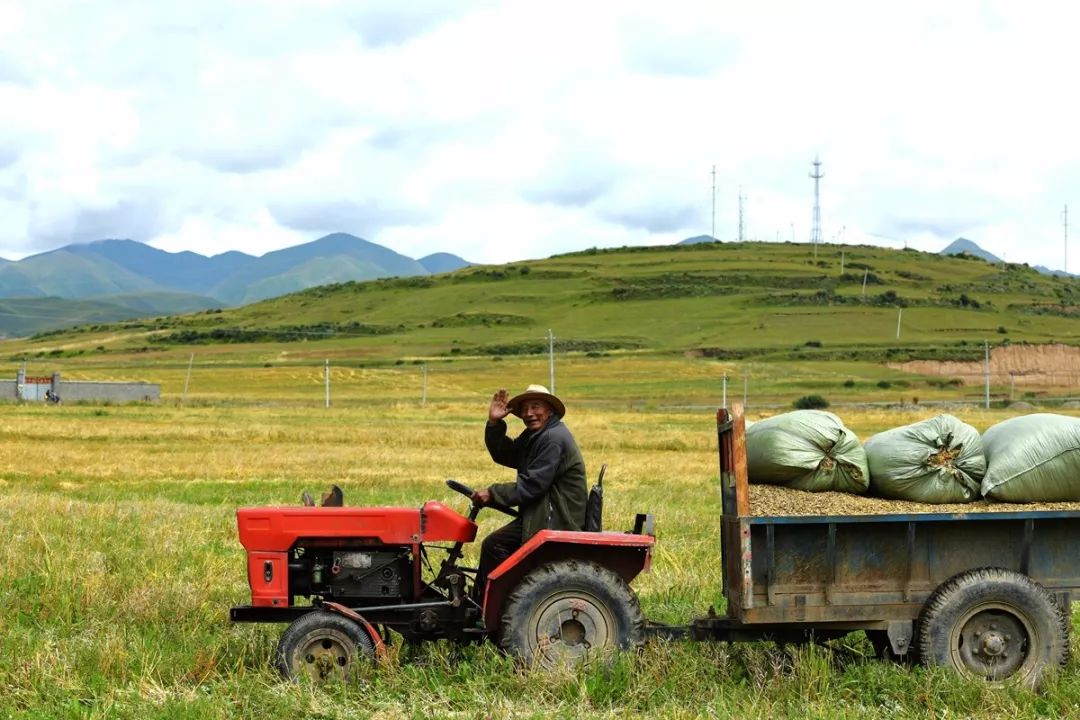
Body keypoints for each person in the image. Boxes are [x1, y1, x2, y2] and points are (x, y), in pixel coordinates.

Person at [472, 384, 587, 599]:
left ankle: (488, 605)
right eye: (524, 409)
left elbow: (533, 484)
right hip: (542, 512)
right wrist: (495, 423)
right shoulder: (538, 434)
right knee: (496, 545)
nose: (528, 413)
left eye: (536, 406)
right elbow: (507, 454)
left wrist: (493, 493)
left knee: (494, 545)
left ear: (550, 410)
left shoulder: (552, 437)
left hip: (556, 518)